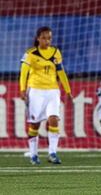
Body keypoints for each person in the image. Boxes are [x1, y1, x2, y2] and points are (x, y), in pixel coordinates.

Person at [19, 26, 72, 165]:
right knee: (35, 124)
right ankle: (34, 154)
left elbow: (61, 72)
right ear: (38, 39)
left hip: (53, 91)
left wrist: (68, 90)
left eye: (49, 38)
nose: (47, 41)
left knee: (54, 119)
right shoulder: (30, 53)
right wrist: (22, 89)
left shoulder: (55, 52)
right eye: (44, 38)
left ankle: (52, 153)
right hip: (36, 91)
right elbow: (23, 73)